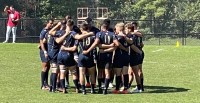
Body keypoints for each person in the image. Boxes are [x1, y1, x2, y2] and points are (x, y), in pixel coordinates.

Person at [83, 22, 119, 95]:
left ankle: (100, 88)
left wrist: (103, 48)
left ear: (102, 27)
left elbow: (96, 44)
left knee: (100, 72)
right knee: (107, 72)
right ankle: (105, 89)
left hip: (101, 55)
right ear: (108, 27)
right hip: (109, 55)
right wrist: (110, 47)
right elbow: (117, 44)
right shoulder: (112, 34)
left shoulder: (99, 34)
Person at [78, 23, 96, 94]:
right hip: (89, 55)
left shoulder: (79, 36)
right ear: (88, 28)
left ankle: (83, 90)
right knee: (92, 73)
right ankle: (92, 89)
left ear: (81, 29)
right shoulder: (92, 36)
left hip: (81, 55)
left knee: (81, 73)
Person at [39, 19, 54, 90]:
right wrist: (44, 51)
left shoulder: (50, 31)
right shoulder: (44, 31)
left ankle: (46, 83)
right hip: (44, 51)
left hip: (49, 50)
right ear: (47, 23)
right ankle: (42, 85)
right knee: (44, 67)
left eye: (52, 23)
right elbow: (41, 43)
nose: (51, 25)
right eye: (50, 23)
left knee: (48, 67)